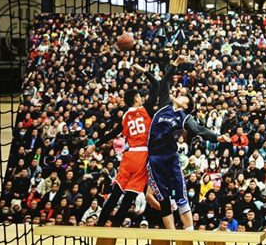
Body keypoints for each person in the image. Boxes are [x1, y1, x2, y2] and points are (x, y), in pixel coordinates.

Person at [146, 55, 230, 230]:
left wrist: (217, 137)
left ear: (185, 106)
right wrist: (175, 63)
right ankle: (172, 234)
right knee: (163, 199)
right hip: (154, 158)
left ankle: (189, 232)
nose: (181, 94)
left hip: (170, 158)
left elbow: (199, 130)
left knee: (180, 196)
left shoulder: (184, 117)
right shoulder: (164, 104)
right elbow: (165, 81)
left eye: (184, 97)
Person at [90, 64, 160, 228]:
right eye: (139, 96)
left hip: (129, 156)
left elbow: (112, 133)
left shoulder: (125, 117)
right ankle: (115, 227)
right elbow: (156, 85)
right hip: (143, 156)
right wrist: (143, 70)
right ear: (136, 99)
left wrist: (95, 146)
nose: (142, 98)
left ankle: (100, 225)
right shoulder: (146, 109)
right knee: (129, 198)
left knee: (115, 194)